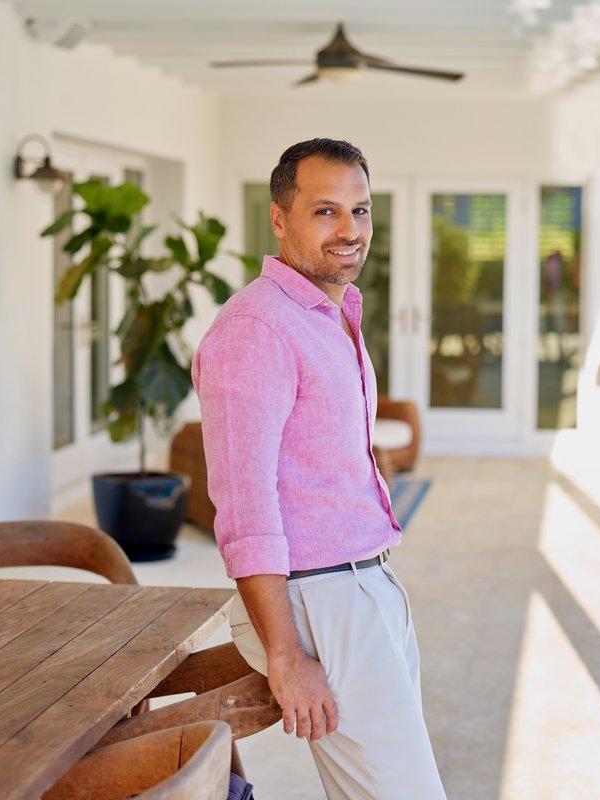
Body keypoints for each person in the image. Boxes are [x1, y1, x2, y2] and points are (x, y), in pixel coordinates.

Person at [191, 139, 446, 800]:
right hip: (318, 597)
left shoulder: (330, 314)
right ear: (279, 219)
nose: (349, 231)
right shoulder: (256, 330)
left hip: (367, 584)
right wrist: (285, 653)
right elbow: (245, 506)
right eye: (326, 211)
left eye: (359, 211)